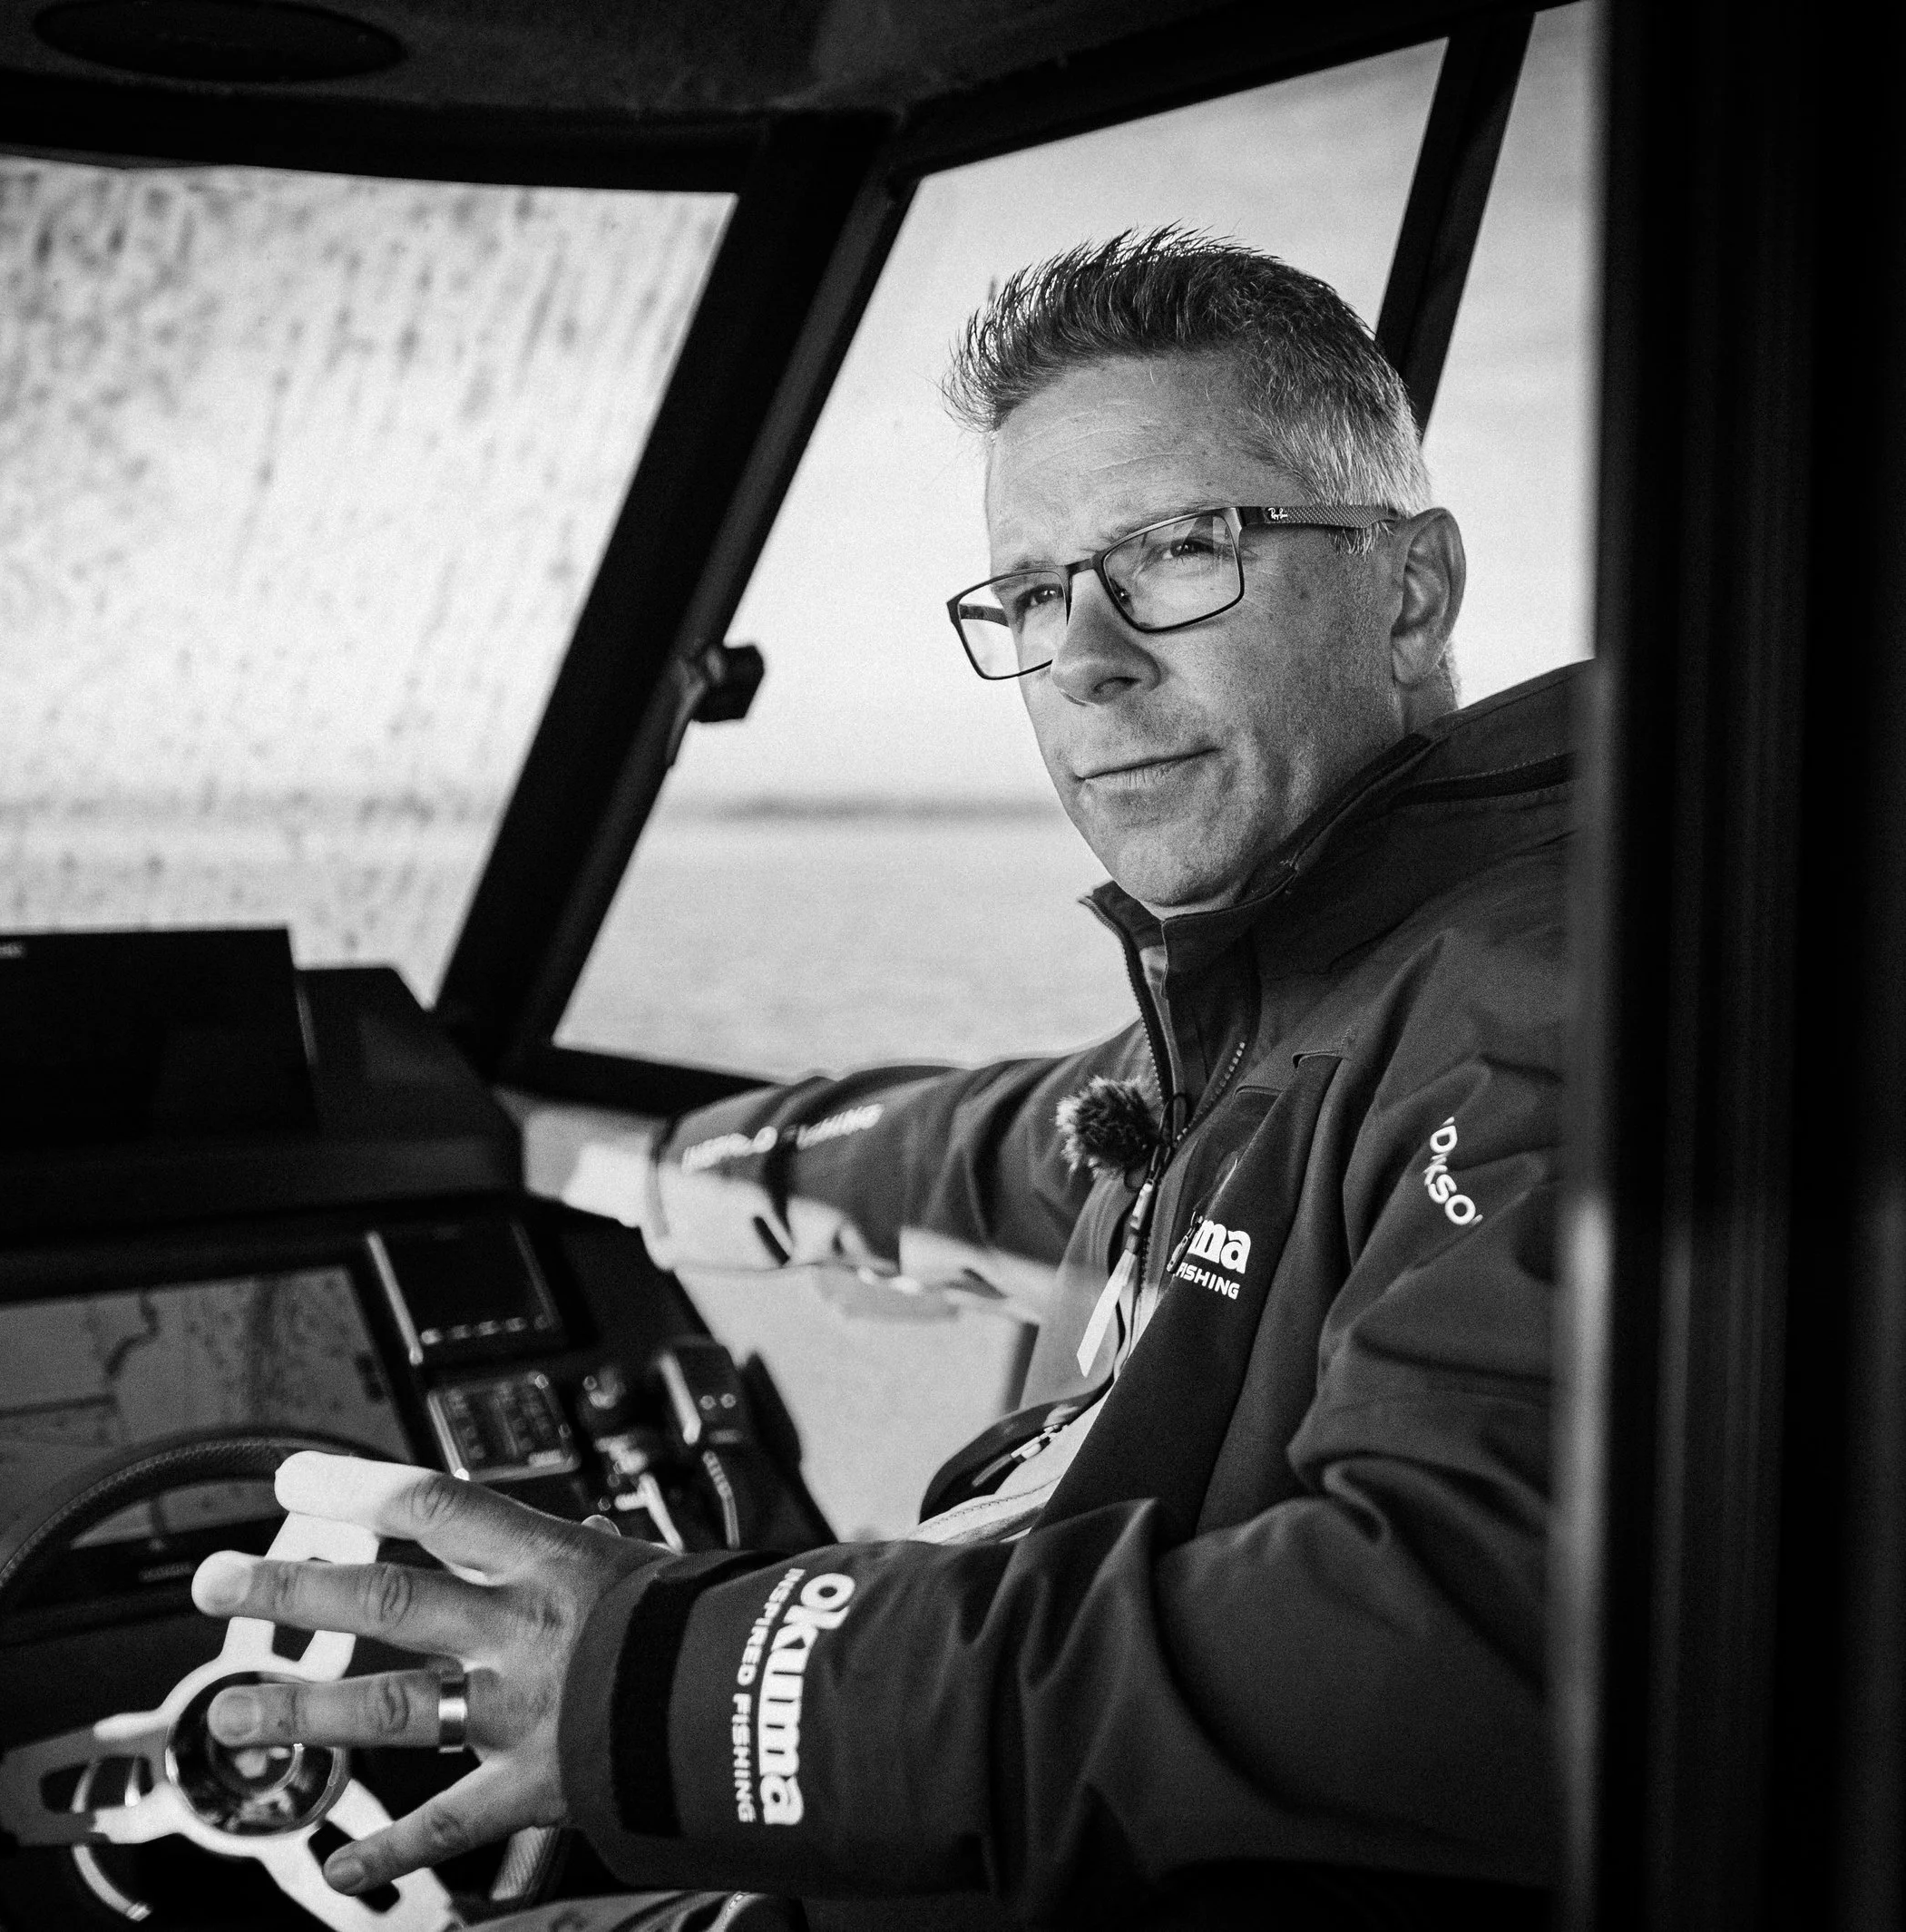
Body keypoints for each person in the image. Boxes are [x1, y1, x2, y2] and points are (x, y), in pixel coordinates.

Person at [189, 229, 1570, 1928]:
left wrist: (678, 1687)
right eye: (1029, 594)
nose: (1084, 659)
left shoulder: (1544, 1006)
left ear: (1410, 588)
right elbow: (1030, 1146)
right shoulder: (1319, 980)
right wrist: (641, 1164)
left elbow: (1483, 1654)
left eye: (1175, 552)